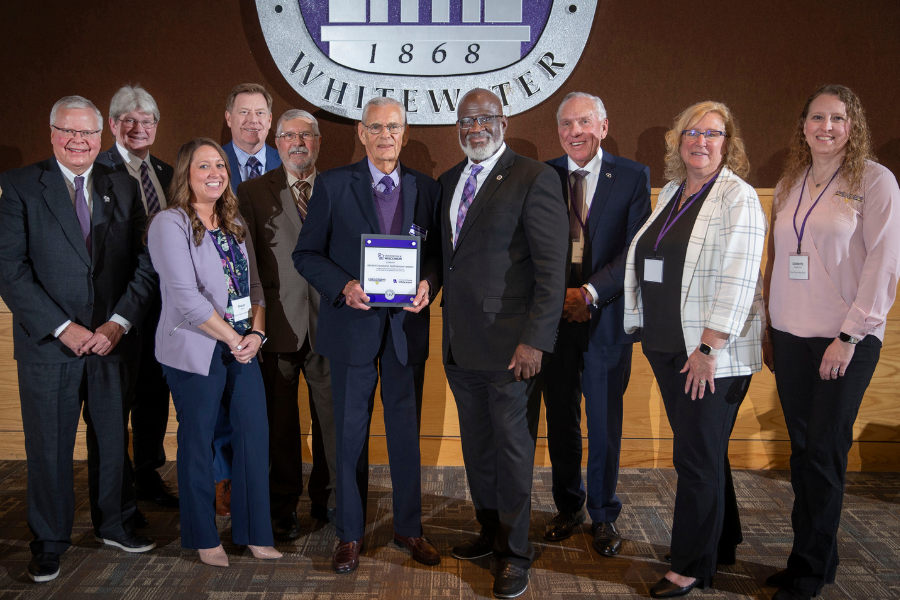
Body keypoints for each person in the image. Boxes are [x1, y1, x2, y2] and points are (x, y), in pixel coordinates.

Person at [0, 96, 158, 583]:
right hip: (50, 345)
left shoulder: (123, 184)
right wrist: (64, 328)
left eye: (87, 133)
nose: (78, 141)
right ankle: (49, 541)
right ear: (52, 134)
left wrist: (118, 323)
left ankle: (114, 524)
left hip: (112, 341)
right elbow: (10, 269)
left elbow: (146, 262)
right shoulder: (20, 185)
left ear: (100, 136)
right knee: (49, 447)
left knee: (112, 438)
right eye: (69, 131)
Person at [762, 85, 900, 600]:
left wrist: (849, 335)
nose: (826, 127)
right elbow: (779, 260)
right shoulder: (790, 182)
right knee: (803, 452)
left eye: (837, 119)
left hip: (845, 340)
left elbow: (883, 264)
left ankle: (809, 571)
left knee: (823, 451)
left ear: (852, 126)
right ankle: (815, 557)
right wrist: (770, 329)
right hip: (790, 338)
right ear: (803, 126)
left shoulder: (875, 180)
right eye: (817, 118)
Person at [293, 97, 442, 573]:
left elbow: (437, 257)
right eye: (375, 127)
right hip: (351, 331)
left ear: (405, 133)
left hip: (405, 332)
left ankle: (408, 527)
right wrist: (344, 286)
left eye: (393, 127)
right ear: (361, 133)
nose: (385, 136)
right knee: (349, 438)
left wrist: (428, 284)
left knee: (405, 437)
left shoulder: (427, 189)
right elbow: (306, 254)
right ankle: (350, 533)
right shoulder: (334, 185)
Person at [623, 101, 766, 598]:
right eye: (692, 132)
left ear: (729, 143)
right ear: (677, 139)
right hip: (667, 347)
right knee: (705, 452)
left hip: (708, 355)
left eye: (713, 133)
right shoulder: (672, 192)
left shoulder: (737, 197)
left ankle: (690, 565)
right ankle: (720, 542)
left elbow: (739, 280)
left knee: (695, 458)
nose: (700, 141)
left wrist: (709, 347)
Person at [438, 88, 569, 599]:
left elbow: (552, 270)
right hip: (460, 346)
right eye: (467, 120)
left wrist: (536, 341)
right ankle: (489, 531)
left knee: (513, 453)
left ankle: (515, 553)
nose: (476, 128)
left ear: (504, 122)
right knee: (477, 447)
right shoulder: (449, 181)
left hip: (513, 349)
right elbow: (448, 261)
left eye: (485, 118)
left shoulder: (534, 177)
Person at [147, 138, 280, 567]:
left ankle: (255, 533)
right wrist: (233, 338)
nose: (215, 173)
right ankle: (204, 537)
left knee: (254, 437)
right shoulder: (169, 223)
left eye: (220, 165)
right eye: (204, 166)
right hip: (195, 348)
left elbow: (254, 286)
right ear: (186, 173)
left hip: (243, 347)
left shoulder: (233, 220)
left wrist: (256, 334)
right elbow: (186, 298)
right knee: (199, 442)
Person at [539, 92, 651, 556]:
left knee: (604, 422)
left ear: (603, 126)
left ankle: (604, 514)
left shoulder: (632, 176)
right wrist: (561, 298)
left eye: (584, 122)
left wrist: (589, 293)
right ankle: (569, 506)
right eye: (566, 124)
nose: (575, 132)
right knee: (561, 418)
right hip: (554, 319)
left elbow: (636, 247)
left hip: (605, 316)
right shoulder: (541, 175)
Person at [237, 109, 337, 539]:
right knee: (279, 425)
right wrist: (251, 324)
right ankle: (282, 506)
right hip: (276, 326)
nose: (298, 143)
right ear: (276, 142)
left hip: (331, 323)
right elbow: (246, 263)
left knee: (332, 422)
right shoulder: (251, 191)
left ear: (319, 142)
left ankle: (329, 500)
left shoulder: (338, 187)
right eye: (289, 135)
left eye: (307, 135)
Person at [96, 84, 178, 510]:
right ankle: (118, 490)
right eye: (128, 120)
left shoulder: (167, 173)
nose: (138, 128)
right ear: (112, 124)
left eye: (146, 120)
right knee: (116, 402)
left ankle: (147, 474)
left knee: (153, 394)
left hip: (163, 307)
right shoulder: (97, 170)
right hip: (117, 306)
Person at [216, 82, 282, 514]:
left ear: (270, 121)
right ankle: (224, 477)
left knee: (265, 400)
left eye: (260, 113)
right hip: (220, 301)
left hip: (273, 299)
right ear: (228, 118)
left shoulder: (288, 160)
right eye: (243, 112)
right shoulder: (210, 163)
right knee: (224, 394)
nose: (252, 121)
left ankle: (263, 479)